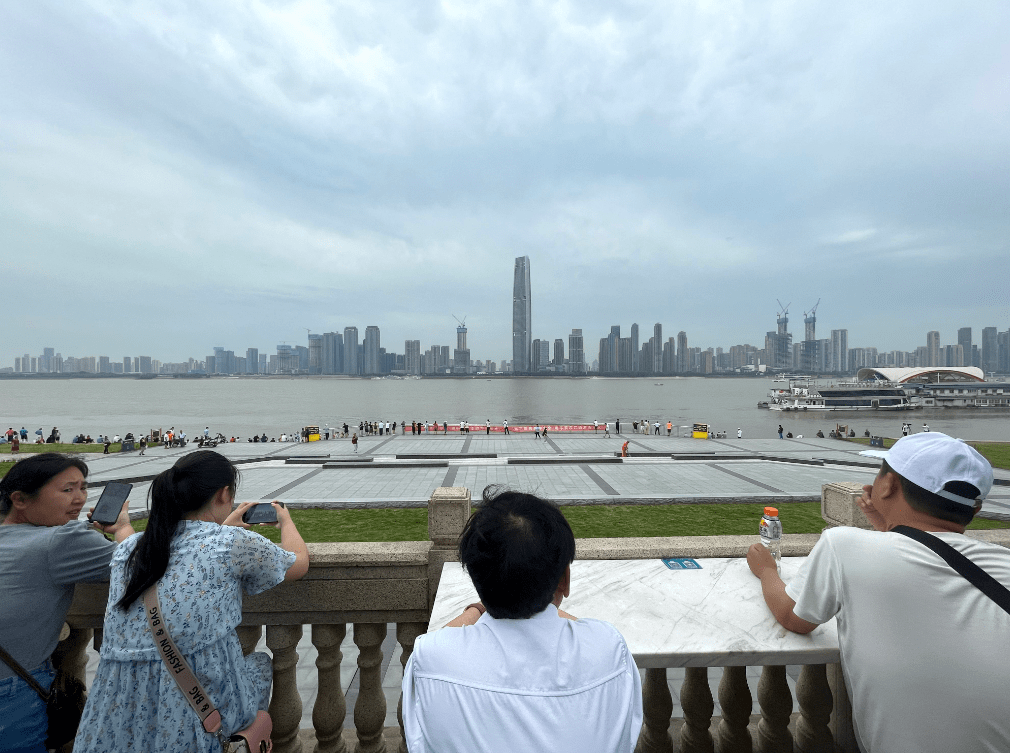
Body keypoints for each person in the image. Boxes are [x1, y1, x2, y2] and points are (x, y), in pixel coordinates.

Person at [747, 432, 1008, 752]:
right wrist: (889, 529)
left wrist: (767, 571)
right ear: (976, 508)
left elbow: (794, 616)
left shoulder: (842, 545)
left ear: (887, 485)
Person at [75, 450, 309, 753]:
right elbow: (298, 564)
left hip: (115, 718)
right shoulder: (231, 543)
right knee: (259, 664)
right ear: (224, 494)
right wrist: (285, 522)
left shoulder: (129, 549)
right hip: (195, 721)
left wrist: (121, 528)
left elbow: (159, 557)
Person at [401, 489, 643, 752]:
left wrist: (479, 607)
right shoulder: (609, 652)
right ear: (564, 580)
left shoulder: (432, 660)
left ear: (474, 577)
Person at [0, 454, 135, 753]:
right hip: (11, 692)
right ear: (20, 500)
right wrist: (122, 528)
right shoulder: (62, 540)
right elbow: (138, 568)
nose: (79, 499)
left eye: (83, 488)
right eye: (67, 489)